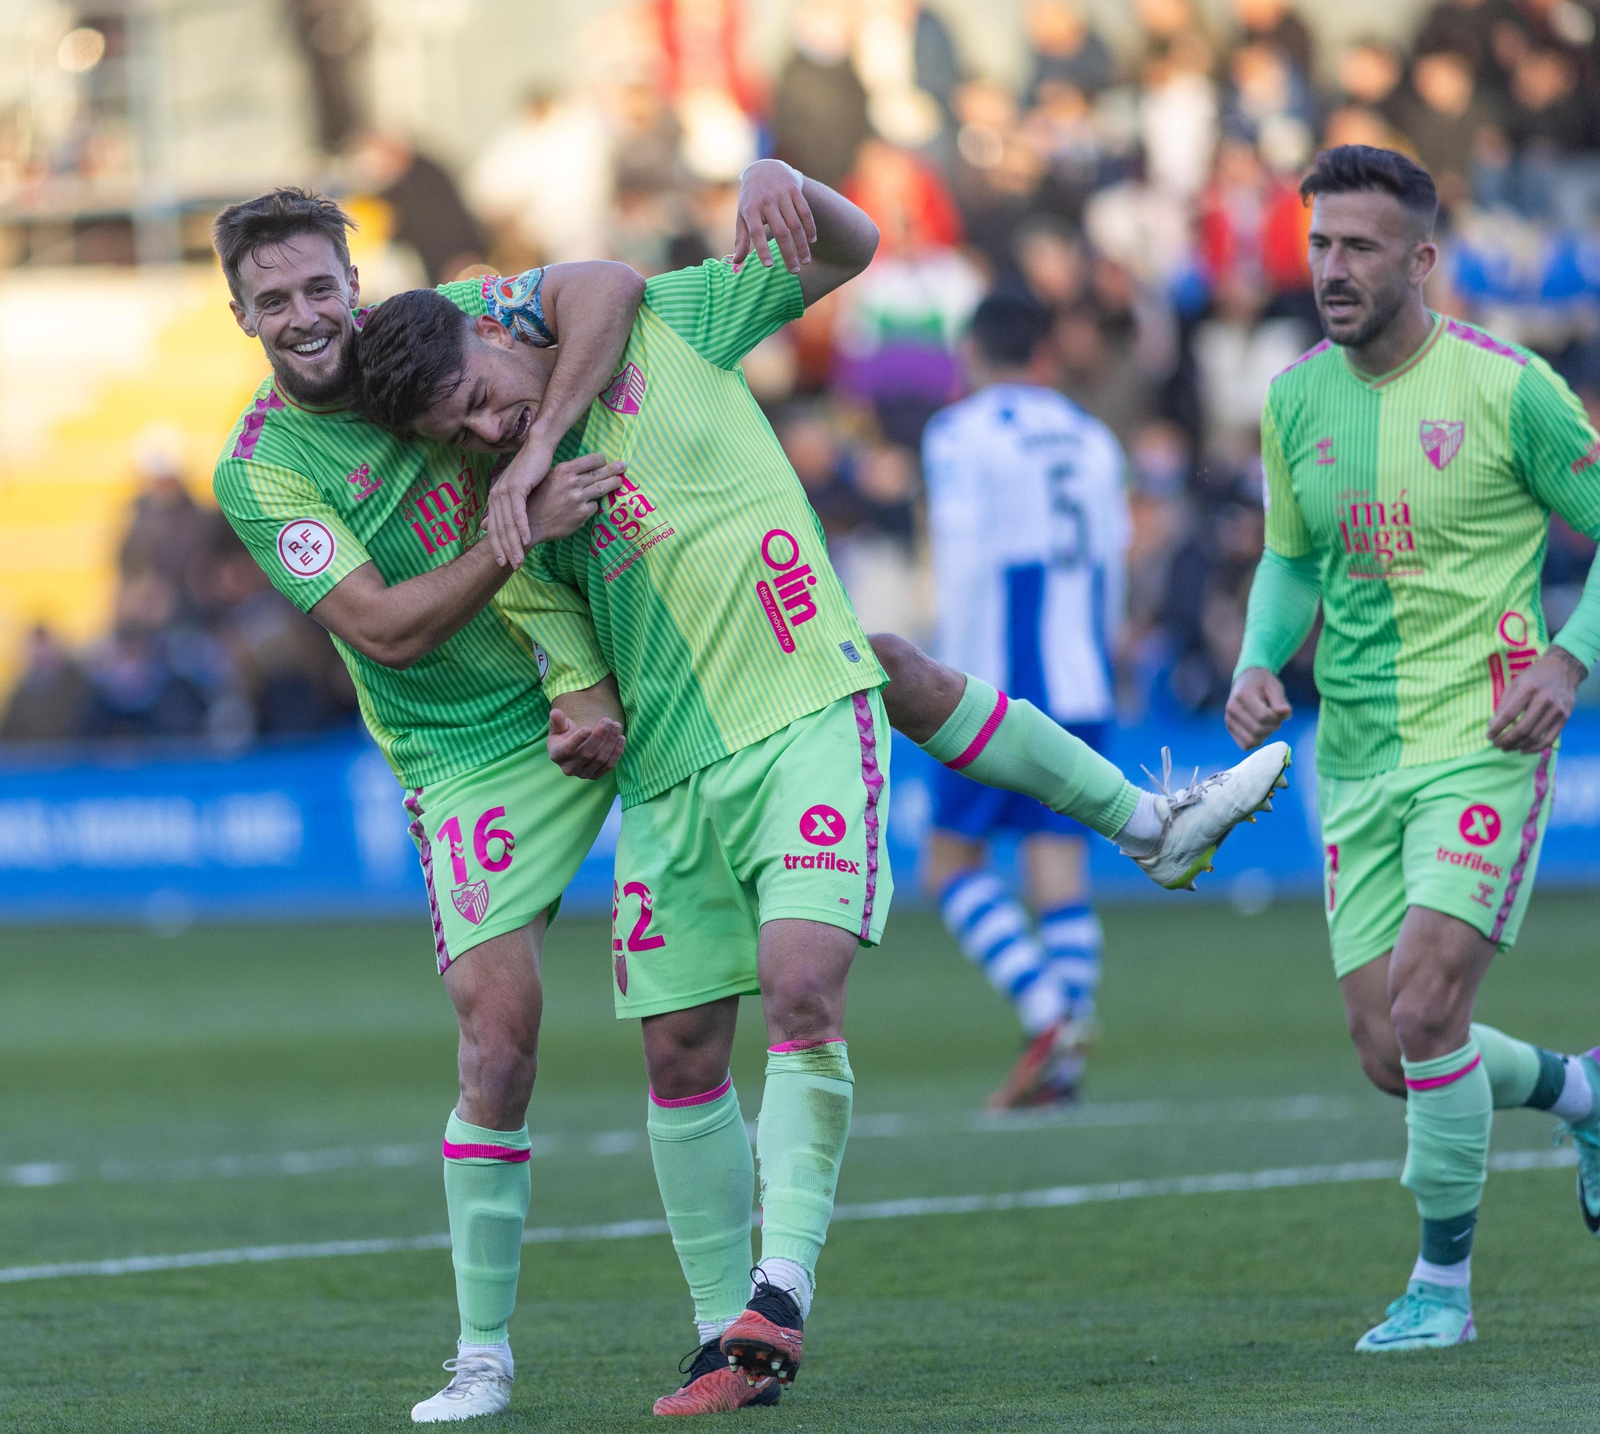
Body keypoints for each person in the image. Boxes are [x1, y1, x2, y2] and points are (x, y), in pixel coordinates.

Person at [356, 158, 1295, 1416]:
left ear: (495, 329)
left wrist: (780, 177)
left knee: (804, 984)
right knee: (681, 1056)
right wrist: (576, 693)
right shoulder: (506, 516)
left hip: (802, 705)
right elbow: (577, 688)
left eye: (478, 400)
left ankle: (778, 1296)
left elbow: (842, 249)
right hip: (673, 777)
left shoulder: (667, 324)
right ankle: (719, 1342)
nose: (481, 434)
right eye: (453, 434)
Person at [209, 187, 647, 1424]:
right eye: (274, 299)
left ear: (355, 281)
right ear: (239, 316)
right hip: (462, 752)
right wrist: (518, 530)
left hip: (622, 667)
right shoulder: (262, 470)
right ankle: (482, 1357)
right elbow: (387, 633)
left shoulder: (446, 319)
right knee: (498, 1043)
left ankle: (740, 1310)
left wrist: (546, 441)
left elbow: (607, 283)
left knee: (698, 1008)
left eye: (318, 287)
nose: (304, 315)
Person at [1225, 145, 1600, 1353]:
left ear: (1422, 259)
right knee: (1391, 1049)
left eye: (1359, 247)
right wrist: (1253, 658)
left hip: (1484, 735)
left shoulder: (1510, 390)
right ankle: (1582, 1092)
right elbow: (1290, 558)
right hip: (1357, 752)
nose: (1330, 268)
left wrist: (1565, 660)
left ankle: (1440, 1292)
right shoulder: (1291, 400)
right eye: (1319, 243)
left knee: (1428, 1001)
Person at [921, 291, 1131, 1108]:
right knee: (1060, 870)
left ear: (973, 353)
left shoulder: (960, 434)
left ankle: (1047, 1013)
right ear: (1042, 354)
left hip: (994, 676)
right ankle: (1066, 1062)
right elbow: (1113, 558)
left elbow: (965, 558)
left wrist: (942, 681)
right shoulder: (1092, 437)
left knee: (950, 866)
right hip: (1081, 673)